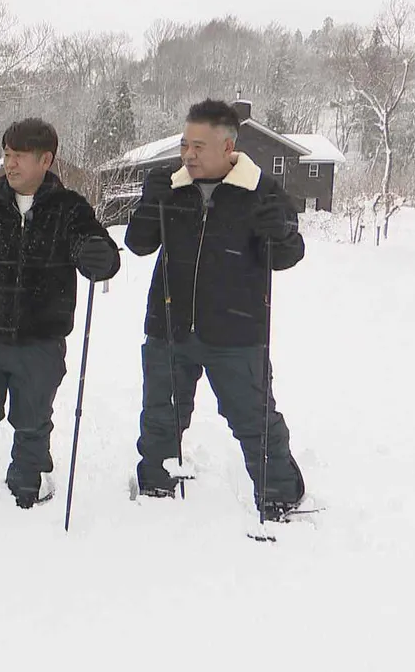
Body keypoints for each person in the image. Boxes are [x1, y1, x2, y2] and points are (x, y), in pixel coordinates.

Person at [0, 118, 120, 526]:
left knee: (32, 418)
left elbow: (97, 248)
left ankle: (27, 484)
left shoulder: (69, 209)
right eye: (6, 155)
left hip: (41, 340)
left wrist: (99, 257)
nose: (9, 165)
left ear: (45, 160)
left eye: (18, 156)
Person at [123, 98, 306, 519]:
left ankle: (279, 493)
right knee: (160, 417)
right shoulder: (170, 186)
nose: (188, 154)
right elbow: (138, 243)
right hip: (169, 326)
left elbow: (288, 254)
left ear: (228, 148)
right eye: (185, 144)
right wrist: (149, 204)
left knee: (255, 420)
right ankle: (156, 486)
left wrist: (279, 233)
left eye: (199, 147)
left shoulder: (261, 191)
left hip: (236, 332)